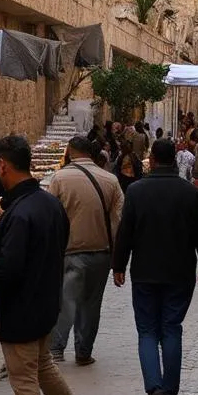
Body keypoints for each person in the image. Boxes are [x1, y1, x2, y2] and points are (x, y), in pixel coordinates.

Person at [0, 135, 87, 395]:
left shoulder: (20, 212)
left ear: (2, 164)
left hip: (23, 307)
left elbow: (10, 268)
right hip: (46, 302)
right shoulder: (48, 203)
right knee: (41, 365)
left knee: (23, 376)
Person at [113, 139, 198, 395]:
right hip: (180, 272)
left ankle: (154, 390)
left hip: (145, 271)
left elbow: (126, 232)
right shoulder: (191, 193)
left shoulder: (136, 191)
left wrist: (118, 264)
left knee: (147, 331)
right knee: (171, 328)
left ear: (153, 160)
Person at [48, 136, 124, 366]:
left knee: (66, 299)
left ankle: (57, 348)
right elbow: (118, 221)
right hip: (100, 252)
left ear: (70, 151)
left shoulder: (59, 179)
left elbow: (50, 217)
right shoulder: (110, 180)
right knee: (91, 304)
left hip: (70, 251)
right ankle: (83, 351)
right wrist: (116, 256)